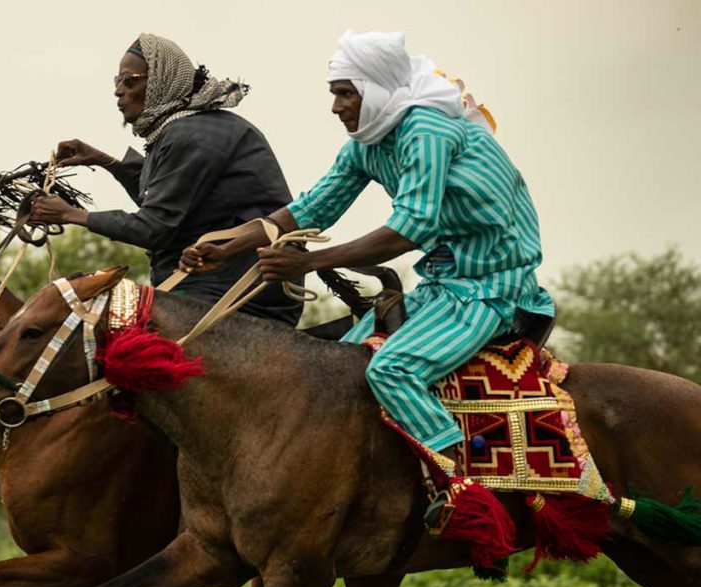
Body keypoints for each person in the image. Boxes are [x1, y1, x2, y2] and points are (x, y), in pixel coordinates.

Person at [182, 30, 554, 464]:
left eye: (345, 94)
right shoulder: (367, 145)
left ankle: (463, 486)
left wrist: (310, 260)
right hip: (442, 287)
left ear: (375, 89)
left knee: (391, 370)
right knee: (336, 366)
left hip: (494, 290)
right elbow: (309, 210)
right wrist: (227, 247)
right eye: (334, 94)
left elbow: (409, 229)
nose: (336, 107)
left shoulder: (426, 128)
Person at [29, 33, 302, 327]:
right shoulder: (182, 129)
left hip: (237, 286)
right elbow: (167, 200)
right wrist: (105, 161)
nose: (119, 92)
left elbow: (154, 227)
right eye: (116, 82)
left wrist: (69, 214)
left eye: (130, 81)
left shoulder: (192, 134)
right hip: (213, 281)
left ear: (162, 81)